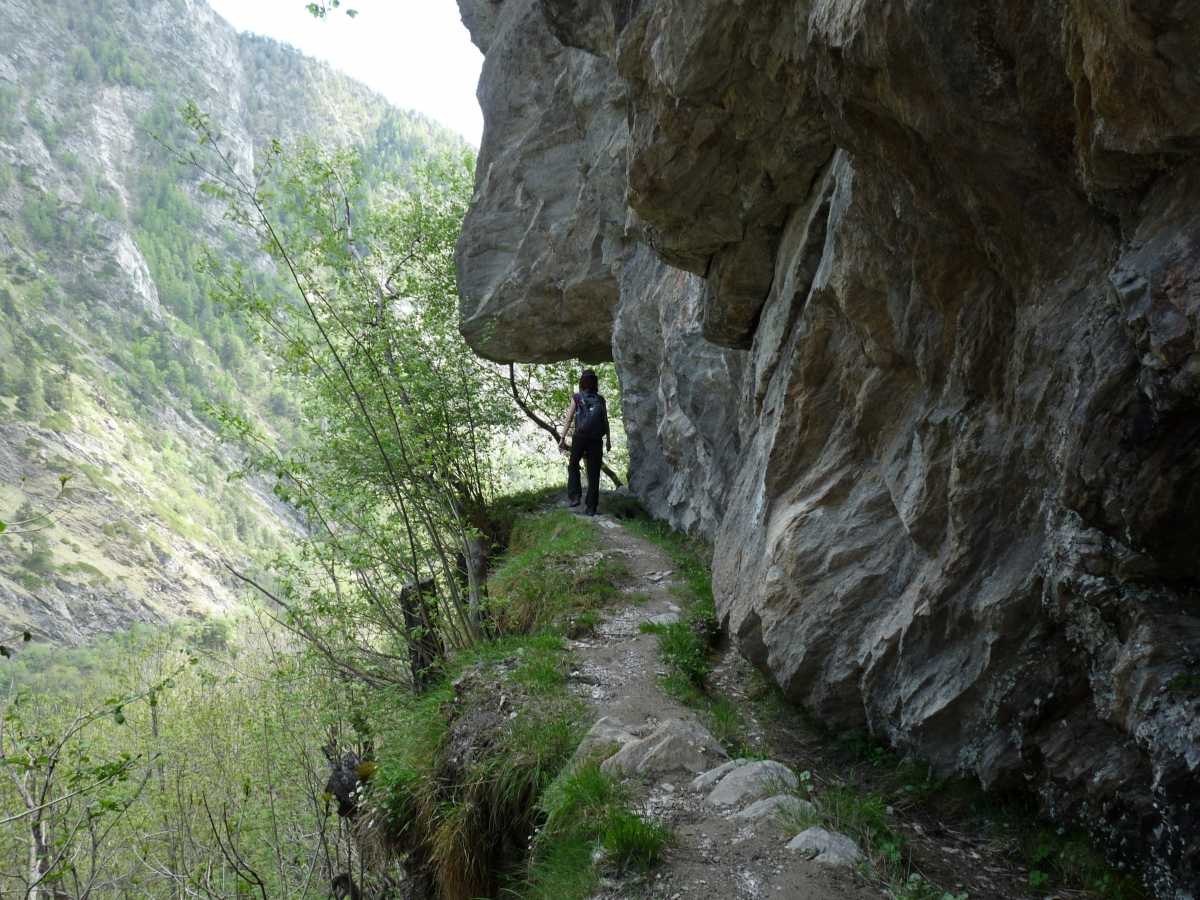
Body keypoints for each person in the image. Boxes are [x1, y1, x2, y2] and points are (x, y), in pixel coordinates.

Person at [559, 369, 610, 516]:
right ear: (595, 382)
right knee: (594, 473)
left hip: (580, 437)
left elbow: (568, 419)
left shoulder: (577, 397)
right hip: (596, 439)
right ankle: (591, 507)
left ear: (582, 382)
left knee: (574, 464)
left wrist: (562, 438)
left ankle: (575, 497)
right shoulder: (600, 400)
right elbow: (605, 421)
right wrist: (608, 441)